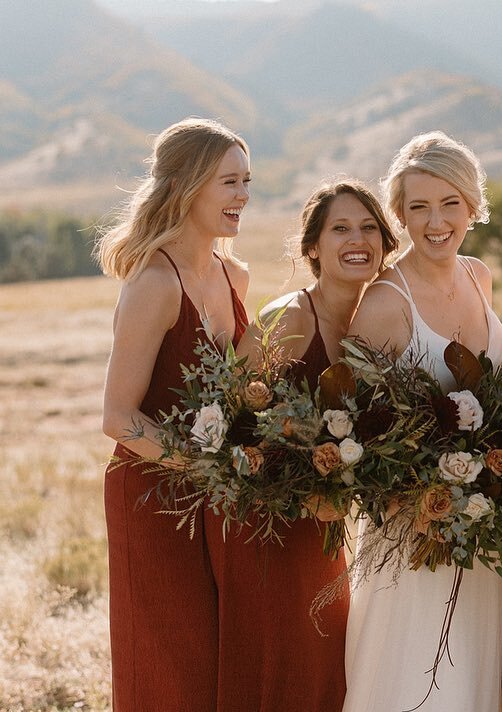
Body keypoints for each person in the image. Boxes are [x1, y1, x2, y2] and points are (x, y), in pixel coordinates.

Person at [215, 179, 398, 710]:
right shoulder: (290, 318)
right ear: (312, 247)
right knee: (284, 666)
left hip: (328, 526)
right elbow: (225, 425)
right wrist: (296, 494)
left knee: (325, 666)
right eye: (340, 228)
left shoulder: (376, 320)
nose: (357, 239)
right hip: (267, 526)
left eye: (368, 227)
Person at [342, 131, 502, 712]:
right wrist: (412, 503)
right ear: (400, 214)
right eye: (418, 207)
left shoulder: (479, 276)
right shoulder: (387, 302)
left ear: (472, 205)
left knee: (471, 681)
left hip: (483, 532)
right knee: (412, 683)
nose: (435, 222)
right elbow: (349, 435)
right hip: (410, 536)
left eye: (450, 204)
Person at [98, 117, 250, 710]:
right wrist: (204, 468)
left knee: (216, 651)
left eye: (246, 180)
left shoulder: (234, 275)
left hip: (218, 497)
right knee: (164, 655)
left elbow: (241, 387)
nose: (243, 196)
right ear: (188, 187)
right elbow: (117, 415)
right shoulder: (155, 283)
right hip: (152, 494)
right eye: (229, 183)